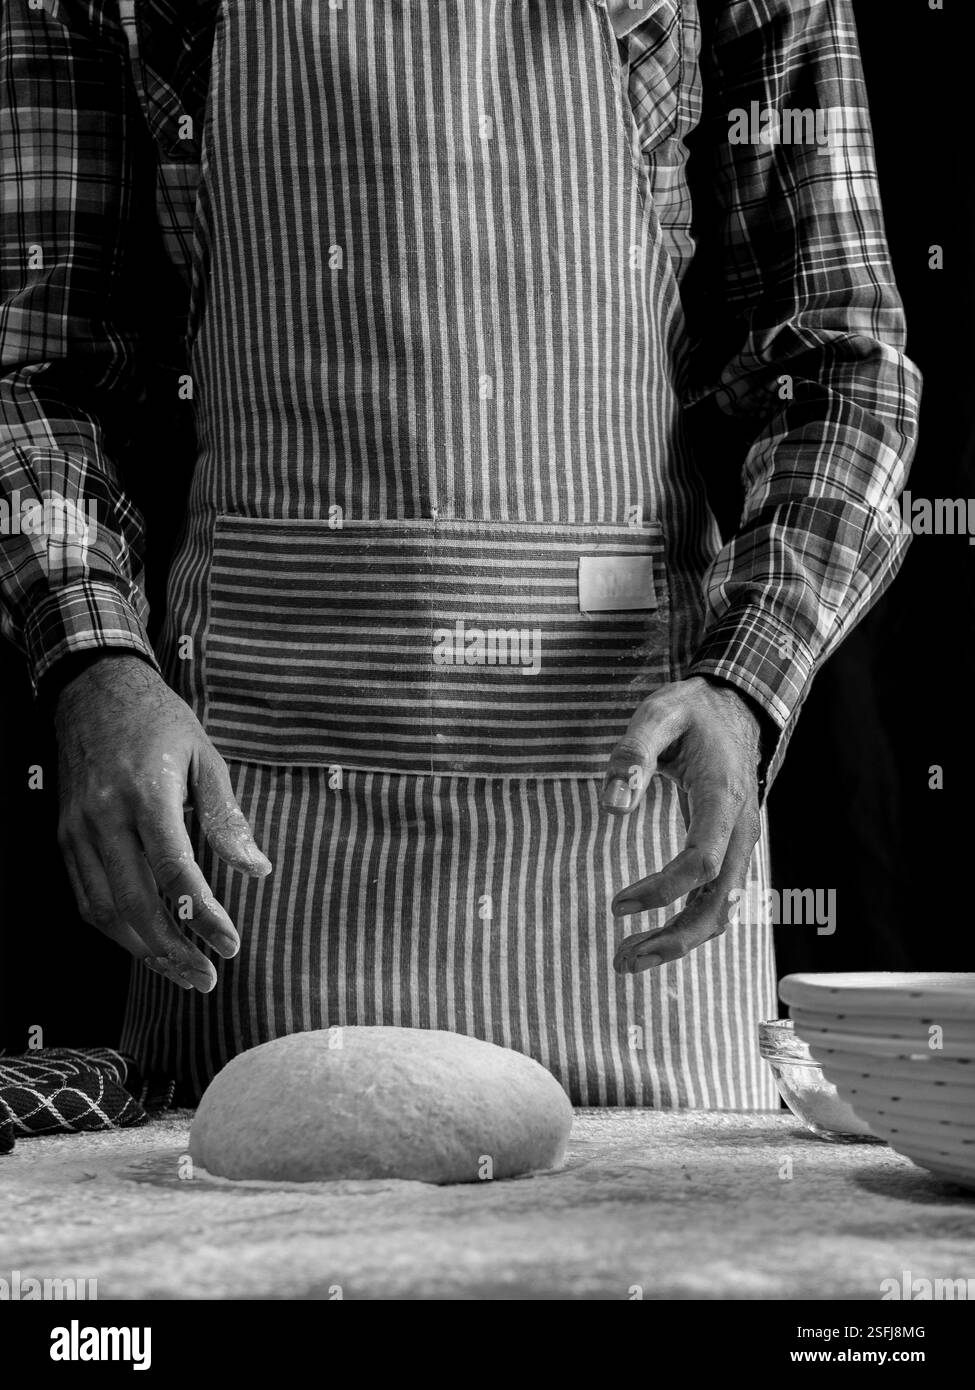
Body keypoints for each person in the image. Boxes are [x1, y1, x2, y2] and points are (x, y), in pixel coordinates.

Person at [0, 0, 920, 1106]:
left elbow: (840, 364)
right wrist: (93, 663)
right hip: (266, 865)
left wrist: (745, 685)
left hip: (624, 864)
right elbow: (33, 377)